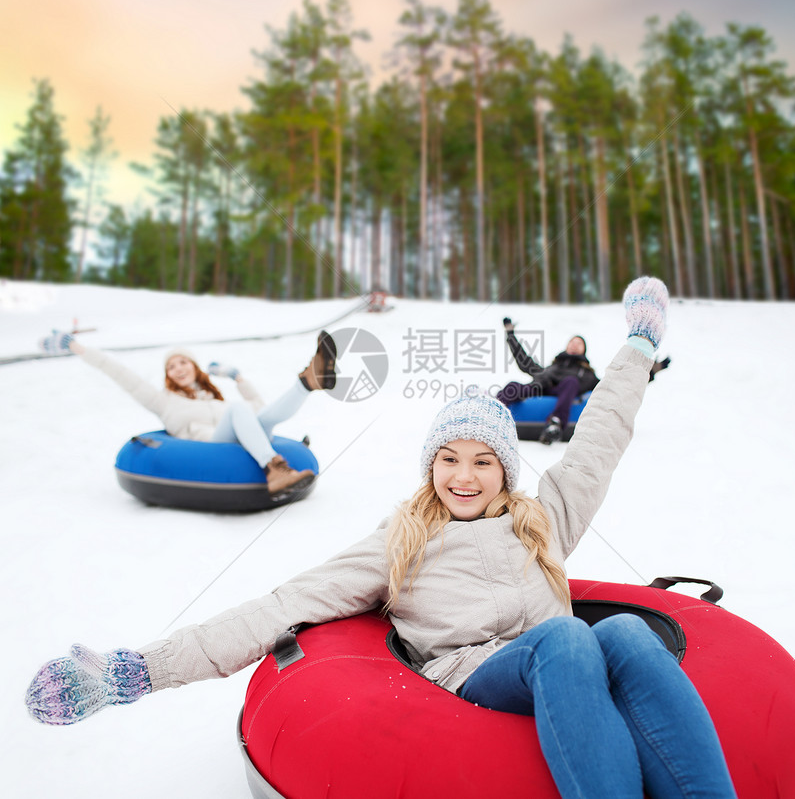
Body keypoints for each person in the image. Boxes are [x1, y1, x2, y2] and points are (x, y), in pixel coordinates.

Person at [25, 278, 737, 799]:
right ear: (432, 467)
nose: (465, 476)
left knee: (626, 638)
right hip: (473, 677)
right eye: (449, 459)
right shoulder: (403, 537)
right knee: (571, 638)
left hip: (564, 666)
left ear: (505, 469)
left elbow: (603, 434)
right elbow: (283, 604)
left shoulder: (543, 515)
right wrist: (138, 670)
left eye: (483, 461)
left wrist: (640, 340)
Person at [36, 329, 338, 497]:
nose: (178, 368)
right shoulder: (161, 400)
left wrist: (238, 378)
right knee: (239, 410)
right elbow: (119, 372)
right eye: (171, 365)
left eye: (183, 362)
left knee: (257, 415)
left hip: (242, 440)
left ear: (194, 367)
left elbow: (262, 413)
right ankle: (274, 470)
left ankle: (308, 381)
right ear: (167, 374)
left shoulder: (215, 397)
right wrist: (75, 346)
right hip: (207, 448)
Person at [498, 317, 671, 445]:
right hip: (542, 388)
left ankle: (555, 424)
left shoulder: (587, 374)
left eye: (578, 343)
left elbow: (616, 385)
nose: (574, 344)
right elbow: (523, 360)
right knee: (514, 385)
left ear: (583, 350)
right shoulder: (549, 368)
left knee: (571, 381)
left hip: (567, 392)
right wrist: (510, 333)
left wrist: (649, 371)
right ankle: (493, 412)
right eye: (572, 342)